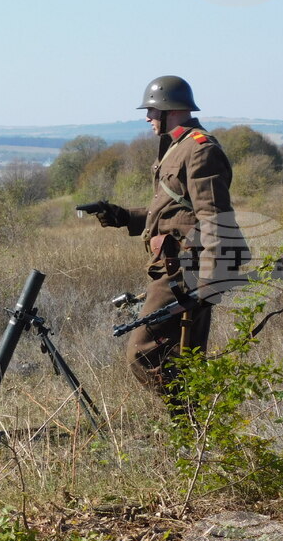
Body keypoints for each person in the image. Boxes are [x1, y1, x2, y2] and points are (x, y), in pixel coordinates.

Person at [86, 75, 245, 406]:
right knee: (184, 359)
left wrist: (212, 277)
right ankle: (196, 436)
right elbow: (175, 213)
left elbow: (214, 215)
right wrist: (123, 216)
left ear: (169, 110)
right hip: (172, 266)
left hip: (185, 269)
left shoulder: (199, 149)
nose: (147, 118)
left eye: (151, 111)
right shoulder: (176, 147)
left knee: (143, 353)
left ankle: (186, 418)